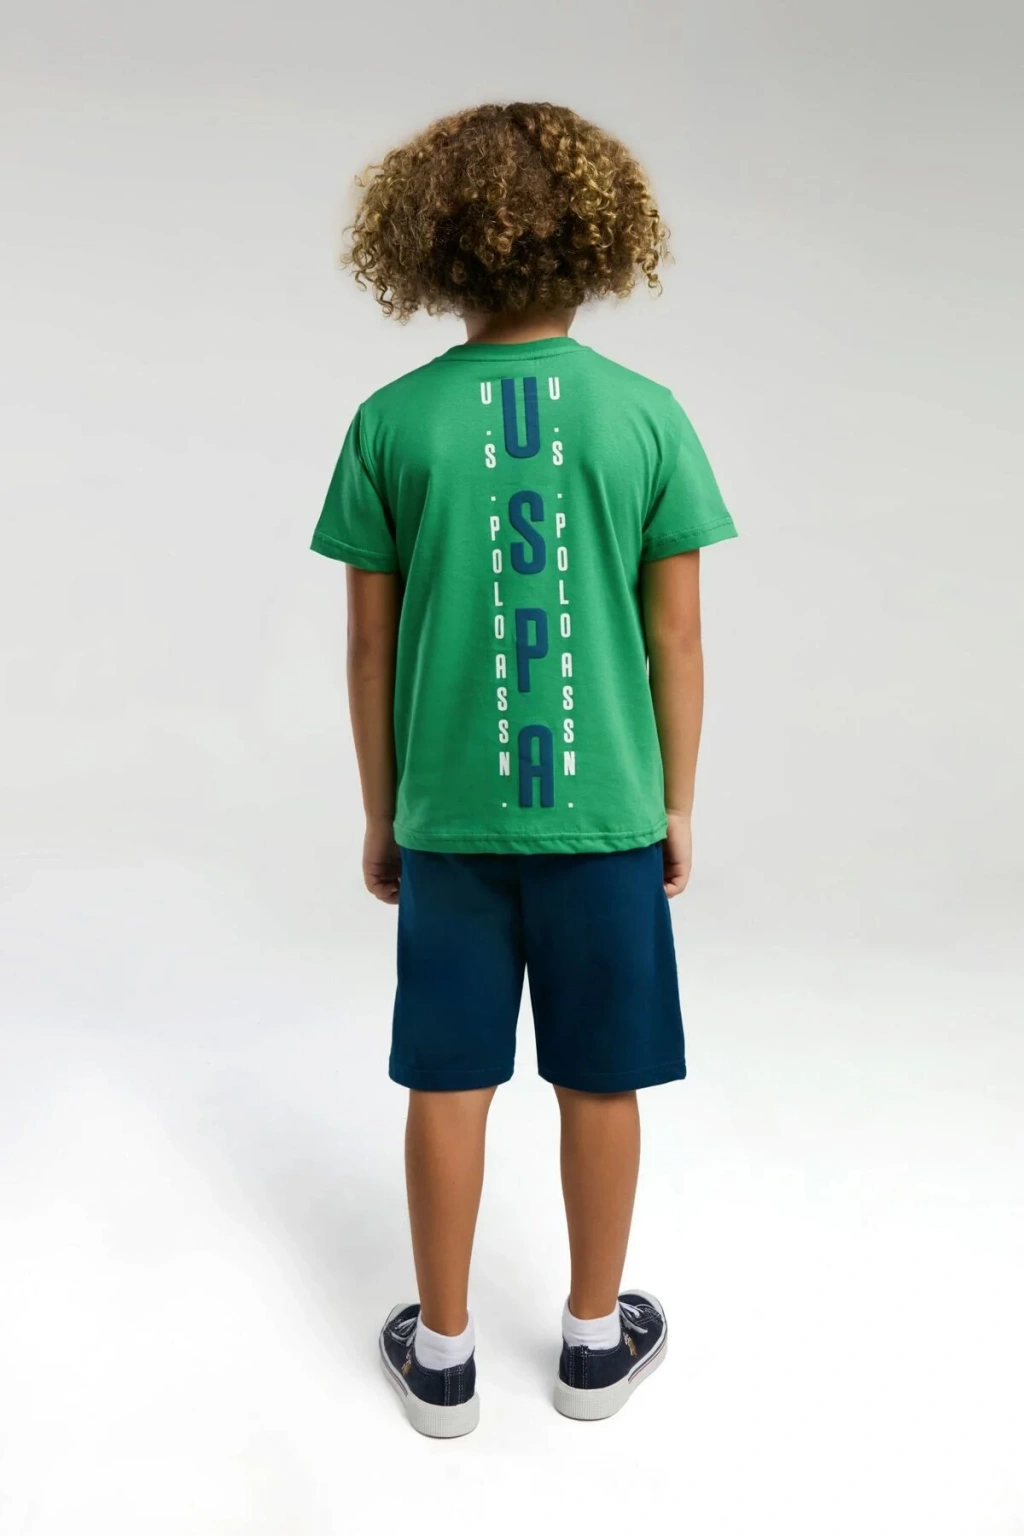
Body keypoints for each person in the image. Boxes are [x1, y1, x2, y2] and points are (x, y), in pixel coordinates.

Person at [310, 101, 737, 1438]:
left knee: (449, 1077)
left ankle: (442, 1362)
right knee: (599, 1076)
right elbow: (677, 636)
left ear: (430, 244)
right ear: (602, 240)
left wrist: (383, 813)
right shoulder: (647, 416)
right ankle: (594, 1347)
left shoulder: (390, 422)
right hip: (605, 818)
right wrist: (674, 802)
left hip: (448, 816)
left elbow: (369, 644)